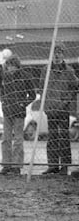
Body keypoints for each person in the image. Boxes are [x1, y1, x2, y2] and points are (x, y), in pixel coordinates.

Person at [39, 42, 79, 175]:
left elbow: (75, 87)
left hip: (63, 109)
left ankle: (65, 166)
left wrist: (66, 100)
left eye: (59, 52)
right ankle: (53, 165)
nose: (57, 55)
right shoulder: (45, 70)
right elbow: (41, 88)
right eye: (55, 52)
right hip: (50, 109)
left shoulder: (69, 71)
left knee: (63, 137)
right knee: (52, 137)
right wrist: (45, 104)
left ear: (63, 54)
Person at [0, 54, 36, 175]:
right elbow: (1, 92)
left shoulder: (26, 77)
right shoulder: (4, 77)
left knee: (18, 139)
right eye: (8, 66)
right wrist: (4, 103)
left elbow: (33, 95)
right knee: (6, 139)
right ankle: (6, 165)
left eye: (13, 66)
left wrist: (22, 104)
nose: (10, 68)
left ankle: (16, 166)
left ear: (17, 66)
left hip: (19, 113)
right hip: (7, 112)